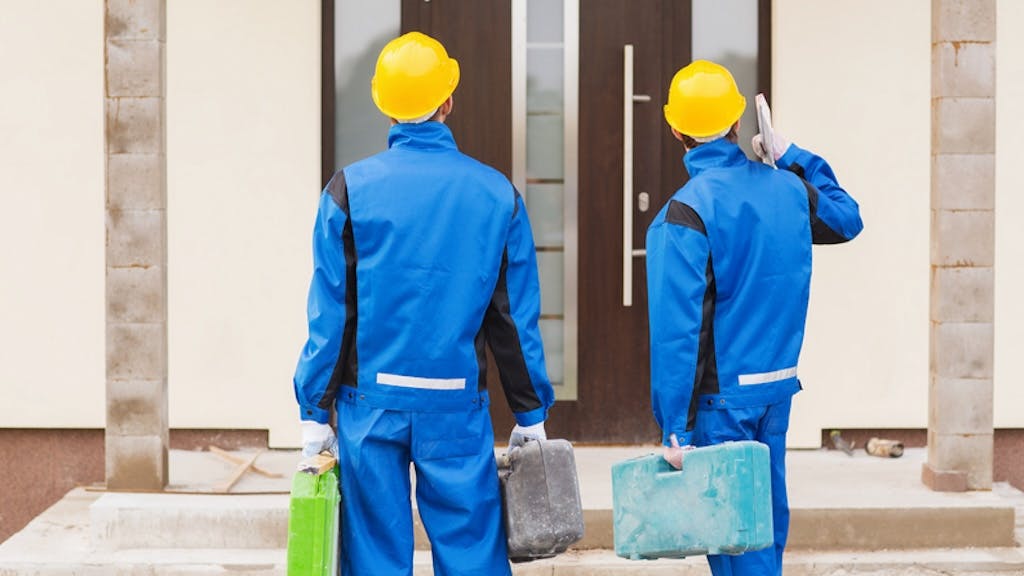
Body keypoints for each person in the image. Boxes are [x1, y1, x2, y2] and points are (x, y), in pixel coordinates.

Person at [292, 31, 554, 576]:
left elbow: (331, 316)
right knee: (471, 553)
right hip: (455, 406)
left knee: (375, 558)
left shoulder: (347, 190)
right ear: (447, 102)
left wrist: (315, 412)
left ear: (384, 106)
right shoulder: (497, 194)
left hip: (371, 405)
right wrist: (530, 414)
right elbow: (512, 319)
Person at [645, 60, 863, 575]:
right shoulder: (787, 188)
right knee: (766, 535)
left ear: (674, 128)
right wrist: (790, 155)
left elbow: (678, 332)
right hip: (776, 392)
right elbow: (847, 216)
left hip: (723, 406)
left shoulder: (685, 211)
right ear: (739, 123)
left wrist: (674, 428)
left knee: (739, 549)